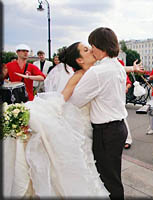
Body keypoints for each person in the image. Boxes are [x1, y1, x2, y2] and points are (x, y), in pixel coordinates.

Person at [3, 42, 109, 198]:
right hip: (80, 123)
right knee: (81, 161)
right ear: (79, 60)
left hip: (89, 122)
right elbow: (62, 97)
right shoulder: (78, 75)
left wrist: (132, 69)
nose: (91, 50)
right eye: (86, 50)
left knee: (87, 161)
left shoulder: (95, 71)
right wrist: (41, 111)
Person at [69, 27, 128, 200]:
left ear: (98, 46)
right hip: (118, 127)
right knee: (113, 174)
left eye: (91, 45)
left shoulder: (97, 72)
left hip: (106, 131)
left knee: (108, 179)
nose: (91, 49)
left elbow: (76, 101)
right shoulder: (117, 66)